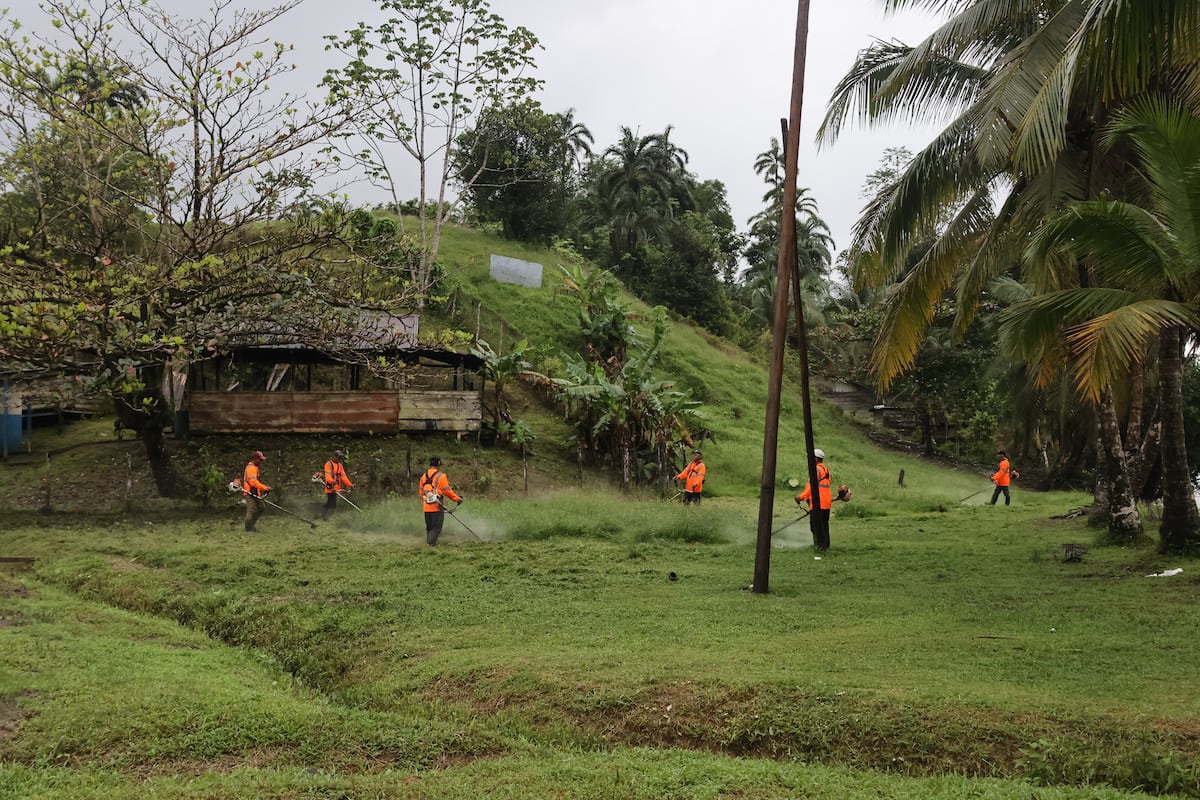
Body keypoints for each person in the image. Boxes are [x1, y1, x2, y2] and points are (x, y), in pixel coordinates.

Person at [419, 456, 462, 546]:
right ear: (438, 464)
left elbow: (421, 493)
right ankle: (430, 545)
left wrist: (427, 500)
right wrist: (457, 499)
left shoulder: (423, 476)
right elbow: (447, 491)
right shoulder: (441, 476)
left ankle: (430, 543)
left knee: (430, 527)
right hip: (437, 508)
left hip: (426, 508)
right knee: (436, 528)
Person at [795, 448, 832, 550]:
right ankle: (825, 546)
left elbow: (810, 487)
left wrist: (800, 497)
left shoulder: (816, 470)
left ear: (816, 458)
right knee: (824, 526)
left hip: (818, 503)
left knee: (815, 527)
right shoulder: (826, 470)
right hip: (826, 503)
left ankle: (819, 546)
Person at [242, 450, 271, 532]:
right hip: (249, 493)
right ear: (255, 459)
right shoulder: (251, 468)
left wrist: (263, 489)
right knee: (251, 510)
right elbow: (253, 482)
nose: (261, 461)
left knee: (261, 508)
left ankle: (251, 525)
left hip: (255, 492)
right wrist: (265, 488)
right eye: (260, 459)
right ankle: (248, 528)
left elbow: (255, 483)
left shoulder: (254, 467)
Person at [320, 449, 354, 519]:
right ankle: (325, 516)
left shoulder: (340, 466)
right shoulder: (328, 464)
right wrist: (332, 481)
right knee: (331, 502)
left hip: (337, 487)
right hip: (330, 487)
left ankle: (327, 516)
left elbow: (343, 477)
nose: (340, 460)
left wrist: (349, 484)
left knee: (332, 503)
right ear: (334, 457)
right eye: (339, 458)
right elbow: (327, 475)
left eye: (341, 458)